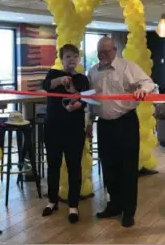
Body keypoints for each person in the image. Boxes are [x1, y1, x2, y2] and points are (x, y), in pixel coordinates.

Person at [87, 36, 155, 228]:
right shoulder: (93, 72)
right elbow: (91, 100)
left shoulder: (127, 67)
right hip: (104, 125)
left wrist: (142, 89)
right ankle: (114, 205)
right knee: (108, 168)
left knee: (127, 169)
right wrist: (89, 122)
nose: (103, 55)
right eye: (100, 52)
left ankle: (128, 211)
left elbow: (149, 83)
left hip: (125, 123)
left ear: (115, 50)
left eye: (107, 51)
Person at [42, 44, 89, 224]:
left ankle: (73, 205)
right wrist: (60, 80)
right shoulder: (53, 74)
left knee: (73, 166)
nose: (72, 60)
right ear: (62, 59)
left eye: (75, 57)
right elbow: (46, 85)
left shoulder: (82, 79)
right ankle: (52, 201)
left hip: (74, 130)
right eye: (68, 56)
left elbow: (84, 99)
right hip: (53, 128)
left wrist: (74, 98)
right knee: (53, 165)